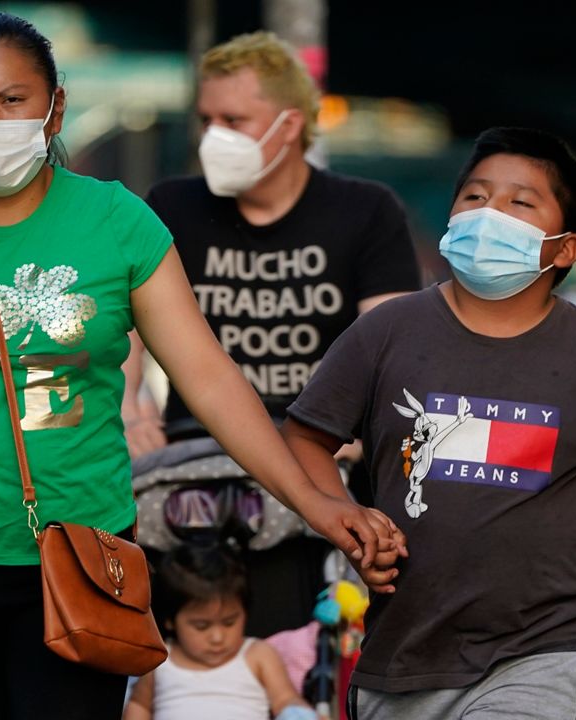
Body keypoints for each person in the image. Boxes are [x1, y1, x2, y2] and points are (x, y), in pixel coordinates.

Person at [0, 13, 398, 720]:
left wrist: (315, 503)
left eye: (12, 100)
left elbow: (210, 378)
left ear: (55, 106)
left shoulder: (118, 222)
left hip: (83, 561)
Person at [280, 127, 576, 719]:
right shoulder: (386, 331)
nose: (489, 213)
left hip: (546, 644)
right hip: (404, 653)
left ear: (566, 247)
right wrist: (344, 519)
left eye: (520, 202)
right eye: (474, 197)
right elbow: (305, 437)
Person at [123, 31, 422, 638]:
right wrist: (130, 406)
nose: (214, 136)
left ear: (289, 126)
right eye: (206, 119)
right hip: (185, 464)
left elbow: (388, 342)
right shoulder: (170, 205)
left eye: (234, 119)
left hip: (318, 461)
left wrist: (357, 427)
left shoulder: (367, 211)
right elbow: (125, 323)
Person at [123, 543, 319, 720]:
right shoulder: (159, 659)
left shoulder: (258, 655)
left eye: (229, 622)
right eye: (201, 626)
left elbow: (285, 700)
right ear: (170, 621)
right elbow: (139, 705)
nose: (217, 638)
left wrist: (299, 714)